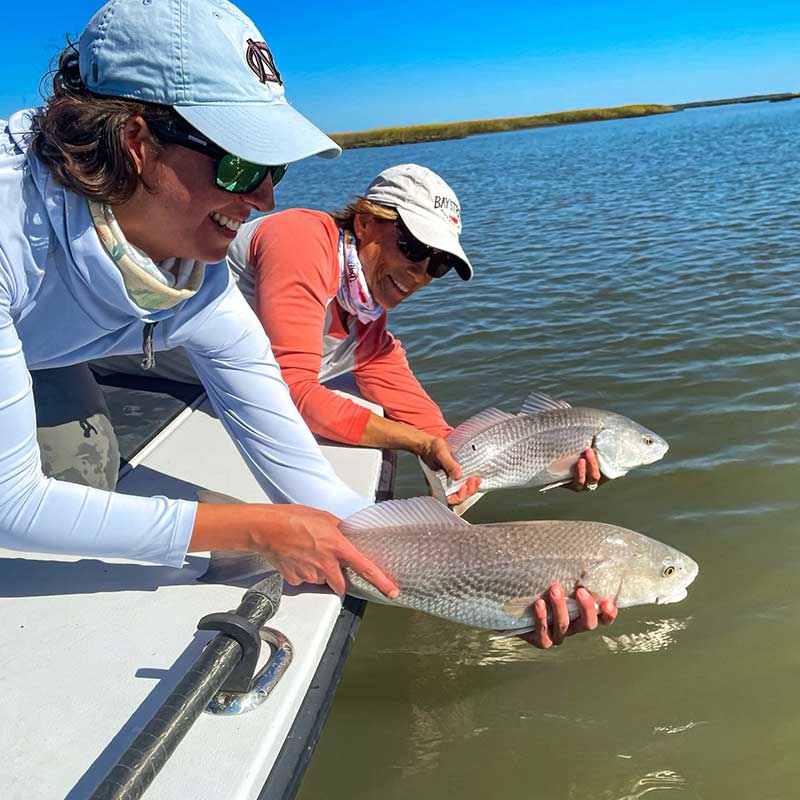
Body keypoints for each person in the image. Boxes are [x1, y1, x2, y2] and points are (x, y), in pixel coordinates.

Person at [0, 0, 399, 600]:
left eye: (276, 168)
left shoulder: (197, 276)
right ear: (135, 141)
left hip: (32, 339)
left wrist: (486, 568)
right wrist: (260, 532)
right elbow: (15, 504)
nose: (264, 200)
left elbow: (310, 485)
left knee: (87, 476)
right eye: (241, 165)